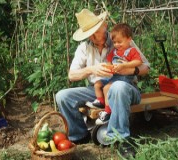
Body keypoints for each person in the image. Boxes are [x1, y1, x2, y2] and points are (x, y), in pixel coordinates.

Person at [55, 8, 150, 149]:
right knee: (62, 96)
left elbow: (146, 67)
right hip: (97, 90)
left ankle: (121, 139)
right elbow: (72, 75)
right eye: (89, 35)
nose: (91, 37)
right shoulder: (84, 47)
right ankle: (80, 135)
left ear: (104, 26)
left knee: (117, 87)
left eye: (94, 33)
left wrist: (130, 69)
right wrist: (90, 70)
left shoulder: (120, 41)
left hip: (126, 88)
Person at [85, 23, 143, 125]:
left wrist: (125, 65)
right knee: (98, 83)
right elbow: (109, 61)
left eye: (119, 42)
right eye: (115, 42)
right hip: (115, 76)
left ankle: (107, 111)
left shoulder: (131, 51)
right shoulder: (115, 51)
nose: (116, 45)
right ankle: (100, 101)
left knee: (107, 88)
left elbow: (138, 62)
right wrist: (109, 67)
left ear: (129, 39)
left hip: (125, 79)